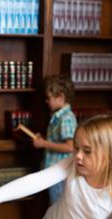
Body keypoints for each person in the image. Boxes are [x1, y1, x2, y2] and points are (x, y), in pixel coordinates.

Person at [29, 74, 77, 204]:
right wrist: (43, 139)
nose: (46, 101)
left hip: (60, 172)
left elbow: (70, 146)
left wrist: (43, 144)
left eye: (49, 98)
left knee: (58, 205)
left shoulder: (66, 118)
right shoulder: (57, 116)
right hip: (53, 171)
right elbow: (57, 140)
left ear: (60, 97)